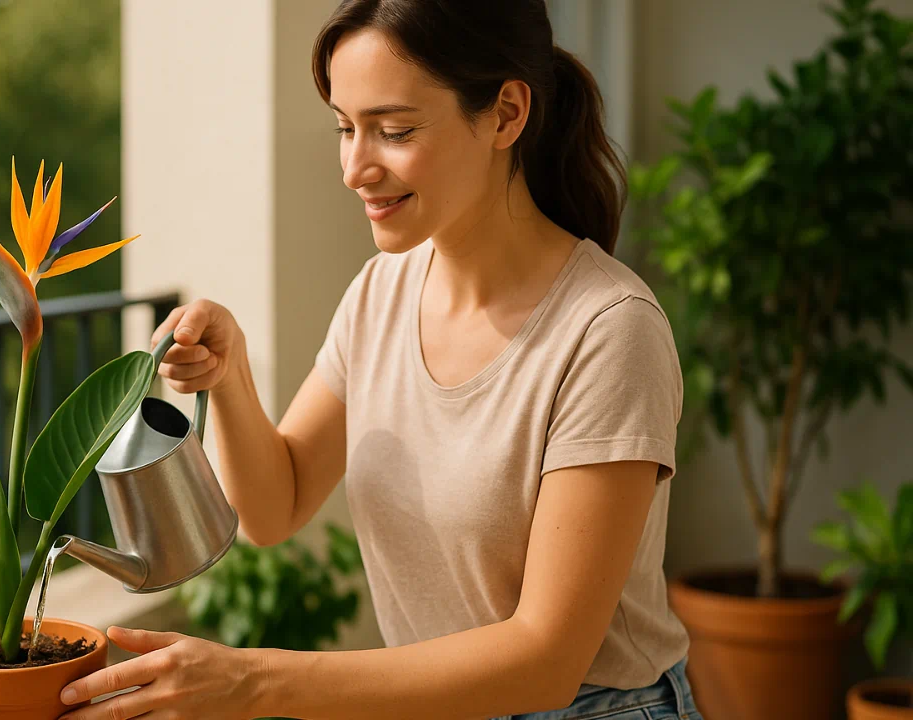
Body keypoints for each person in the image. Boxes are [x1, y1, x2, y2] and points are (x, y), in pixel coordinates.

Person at [60, 1, 701, 718]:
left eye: (394, 131)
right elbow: (275, 507)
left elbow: (546, 660)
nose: (354, 169)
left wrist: (254, 681)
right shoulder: (383, 291)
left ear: (506, 114)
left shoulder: (608, 331)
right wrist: (232, 374)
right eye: (345, 127)